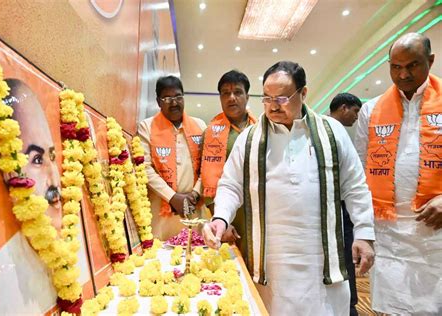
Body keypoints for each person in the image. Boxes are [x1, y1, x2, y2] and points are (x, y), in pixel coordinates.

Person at [204, 61, 375, 315]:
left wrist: (364, 232)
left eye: (282, 97)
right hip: (272, 259)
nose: (273, 105)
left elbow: (355, 186)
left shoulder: (332, 132)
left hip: (321, 258)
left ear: (303, 94)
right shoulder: (249, 139)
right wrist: (220, 218)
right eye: (267, 98)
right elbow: (230, 185)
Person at [354, 33, 442, 315]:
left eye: (412, 65)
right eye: (395, 66)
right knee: (393, 309)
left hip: (435, 234)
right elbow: (358, 173)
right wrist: (364, 231)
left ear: (430, 61)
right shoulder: (371, 110)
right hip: (389, 234)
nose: (403, 74)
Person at [0, 79, 90, 314]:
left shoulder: (76, 248)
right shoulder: (0, 275)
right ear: (9, 172)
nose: (54, 179)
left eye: (52, 157)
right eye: (36, 159)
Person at [138, 75, 209, 241]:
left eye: (178, 96)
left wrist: (195, 194)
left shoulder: (200, 126)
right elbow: (144, 168)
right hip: (162, 211)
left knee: (197, 254)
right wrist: (172, 197)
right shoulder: (146, 127)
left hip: (194, 208)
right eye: (167, 98)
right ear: (158, 101)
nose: (174, 102)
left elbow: (207, 164)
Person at [200, 70, 256, 253]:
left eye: (238, 92)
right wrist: (221, 220)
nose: (232, 98)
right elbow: (205, 177)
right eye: (226, 93)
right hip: (226, 208)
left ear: (247, 96)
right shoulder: (209, 133)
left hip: (258, 206)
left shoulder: (261, 130)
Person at [329, 92, 363, 316]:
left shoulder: (333, 131)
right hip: (338, 207)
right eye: (355, 112)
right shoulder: (330, 131)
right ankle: (348, 306)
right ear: (343, 108)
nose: (356, 117)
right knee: (344, 254)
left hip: (341, 206)